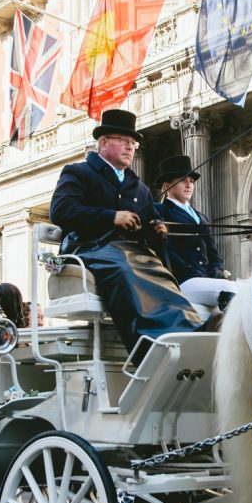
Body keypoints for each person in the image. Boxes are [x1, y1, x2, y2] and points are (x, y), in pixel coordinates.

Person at [48, 109, 205, 355]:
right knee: (125, 267)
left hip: (132, 252)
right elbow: (61, 211)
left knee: (161, 273)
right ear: (103, 143)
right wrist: (111, 217)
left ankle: (190, 329)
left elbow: (147, 224)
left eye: (133, 143)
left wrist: (156, 230)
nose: (130, 147)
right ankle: (152, 345)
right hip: (92, 248)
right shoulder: (78, 173)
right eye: (123, 141)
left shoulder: (138, 187)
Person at [153, 155, 238, 309]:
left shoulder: (201, 217)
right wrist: (193, 271)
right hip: (181, 281)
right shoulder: (159, 210)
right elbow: (165, 249)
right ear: (166, 186)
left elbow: (213, 253)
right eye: (183, 180)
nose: (189, 185)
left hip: (205, 282)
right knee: (229, 288)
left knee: (244, 289)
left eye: (191, 181)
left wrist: (216, 270)